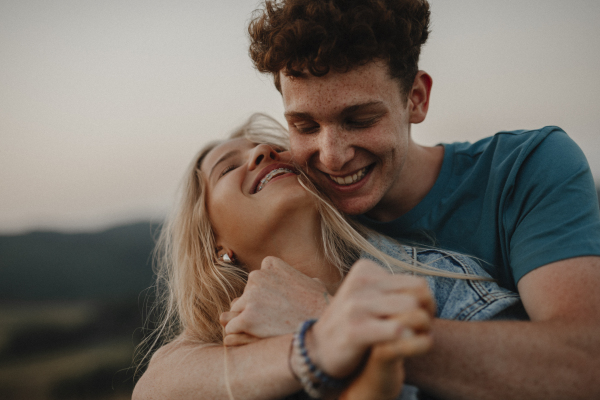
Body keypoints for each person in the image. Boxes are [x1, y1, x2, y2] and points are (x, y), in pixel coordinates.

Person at [223, 0, 599, 399]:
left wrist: (334, 323)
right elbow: (161, 379)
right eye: (305, 125)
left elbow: (585, 366)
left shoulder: (525, 168)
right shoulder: (298, 217)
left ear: (416, 98)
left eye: (360, 119)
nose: (332, 155)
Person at [133, 115, 525, 400]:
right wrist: (320, 344)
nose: (261, 153)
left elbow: (531, 378)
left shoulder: (433, 278)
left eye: (269, 146)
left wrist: (322, 318)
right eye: (228, 168)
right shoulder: (218, 346)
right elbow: (151, 391)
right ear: (215, 242)